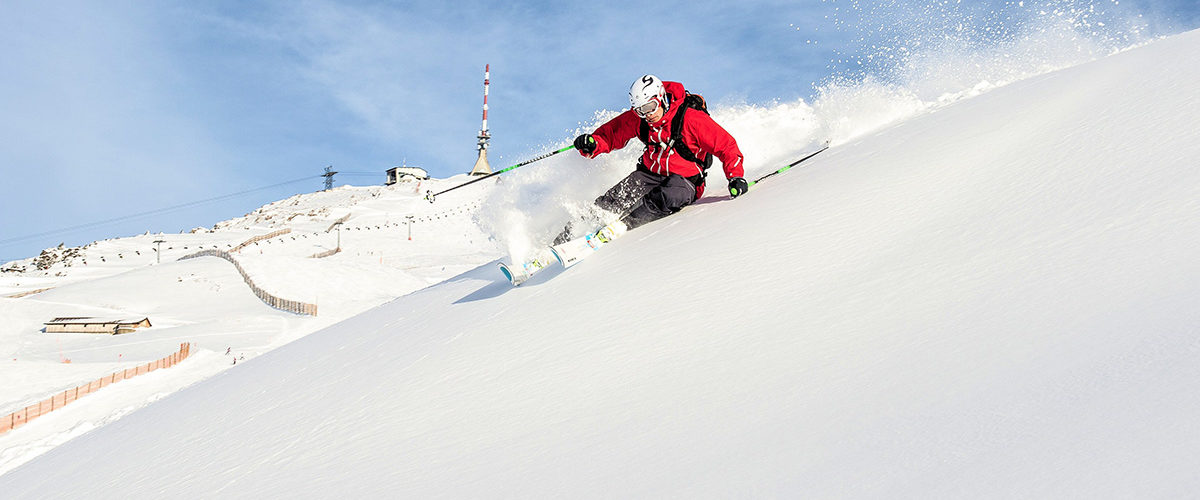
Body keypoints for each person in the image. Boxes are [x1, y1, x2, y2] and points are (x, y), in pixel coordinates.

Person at [557, 75, 746, 244]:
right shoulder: (640, 119)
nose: (647, 114)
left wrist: (735, 177)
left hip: (686, 181)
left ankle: (622, 227)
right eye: (640, 110)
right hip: (650, 174)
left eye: (650, 107)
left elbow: (726, 146)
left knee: (666, 195)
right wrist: (593, 143)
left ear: (661, 98)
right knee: (613, 199)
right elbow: (612, 134)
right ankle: (564, 239)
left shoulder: (690, 119)